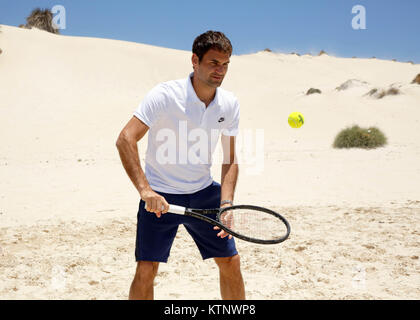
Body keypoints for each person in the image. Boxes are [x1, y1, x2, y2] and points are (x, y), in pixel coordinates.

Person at [116, 30, 245, 300]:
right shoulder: (165, 96)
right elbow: (126, 139)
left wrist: (226, 202)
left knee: (230, 262)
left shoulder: (229, 104)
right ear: (195, 61)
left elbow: (230, 158)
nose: (220, 70)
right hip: (161, 194)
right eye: (213, 63)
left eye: (225, 64)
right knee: (146, 269)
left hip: (203, 192)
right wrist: (146, 191)